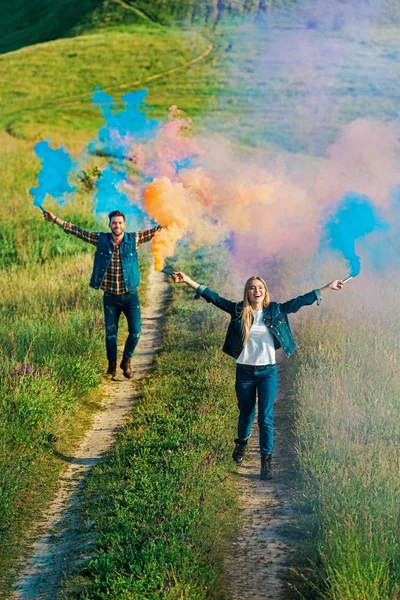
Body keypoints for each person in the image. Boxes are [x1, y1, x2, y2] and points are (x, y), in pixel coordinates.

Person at [172, 271, 345, 480]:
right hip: (244, 371)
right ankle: (242, 444)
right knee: (246, 414)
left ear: (265, 291)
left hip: (267, 372)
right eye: (253, 288)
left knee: (266, 418)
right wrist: (188, 280)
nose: (257, 291)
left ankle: (266, 462)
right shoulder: (238, 310)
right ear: (247, 292)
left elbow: (301, 301)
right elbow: (214, 297)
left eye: (260, 287)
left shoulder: (276, 310)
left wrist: (327, 287)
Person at [43, 209, 161, 379]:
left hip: (130, 296)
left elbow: (155, 231)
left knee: (135, 332)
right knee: (110, 334)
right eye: (114, 222)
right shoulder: (101, 239)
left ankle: (126, 361)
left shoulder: (133, 238)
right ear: (109, 224)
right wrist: (55, 220)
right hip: (111, 297)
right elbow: (78, 231)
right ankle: (111, 367)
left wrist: (171, 217)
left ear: (124, 224)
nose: (117, 225)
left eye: (120, 222)